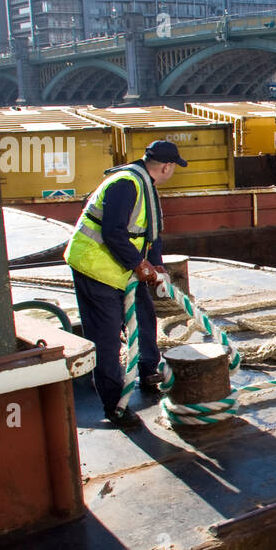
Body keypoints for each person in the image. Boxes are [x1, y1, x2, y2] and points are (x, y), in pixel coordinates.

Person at [64, 140, 186, 428]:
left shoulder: (145, 184)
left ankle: (148, 372)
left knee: (144, 317)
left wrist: (156, 264)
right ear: (167, 167)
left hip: (123, 270)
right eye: (174, 168)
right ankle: (115, 405)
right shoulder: (126, 184)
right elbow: (113, 232)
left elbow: (149, 233)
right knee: (106, 337)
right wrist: (140, 265)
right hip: (96, 270)